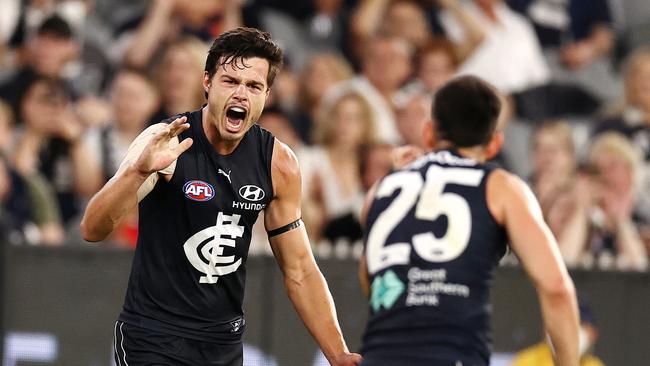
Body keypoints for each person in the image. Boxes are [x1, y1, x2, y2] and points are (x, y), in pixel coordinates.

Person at [80, 27, 361, 366]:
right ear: (207, 83)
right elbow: (92, 229)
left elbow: (300, 269)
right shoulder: (166, 141)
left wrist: (338, 354)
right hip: (153, 337)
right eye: (230, 81)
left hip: (222, 345)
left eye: (254, 86)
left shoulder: (279, 164)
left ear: (267, 94)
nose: (241, 94)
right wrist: (136, 172)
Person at [358, 76, 579, 366]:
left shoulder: (383, 188)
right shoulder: (501, 187)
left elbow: (371, 280)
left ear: (428, 133)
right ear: (494, 143)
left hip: (379, 357)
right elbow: (556, 288)